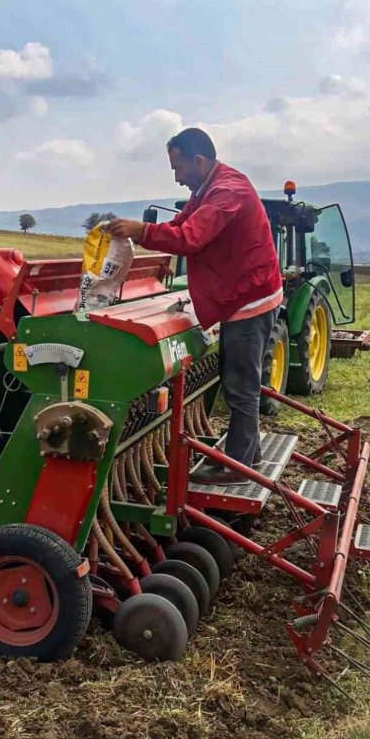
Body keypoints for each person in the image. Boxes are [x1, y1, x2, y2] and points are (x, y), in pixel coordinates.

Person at [106, 128, 282, 483]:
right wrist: (150, 240)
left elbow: (190, 237)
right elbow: (180, 224)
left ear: (198, 161)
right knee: (240, 383)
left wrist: (141, 231)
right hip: (241, 296)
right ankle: (250, 454)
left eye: (178, 168)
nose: (176, 177)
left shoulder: (226, 192)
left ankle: (238, 469)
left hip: (250, 300)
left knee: (240, 386)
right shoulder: (207, 190)